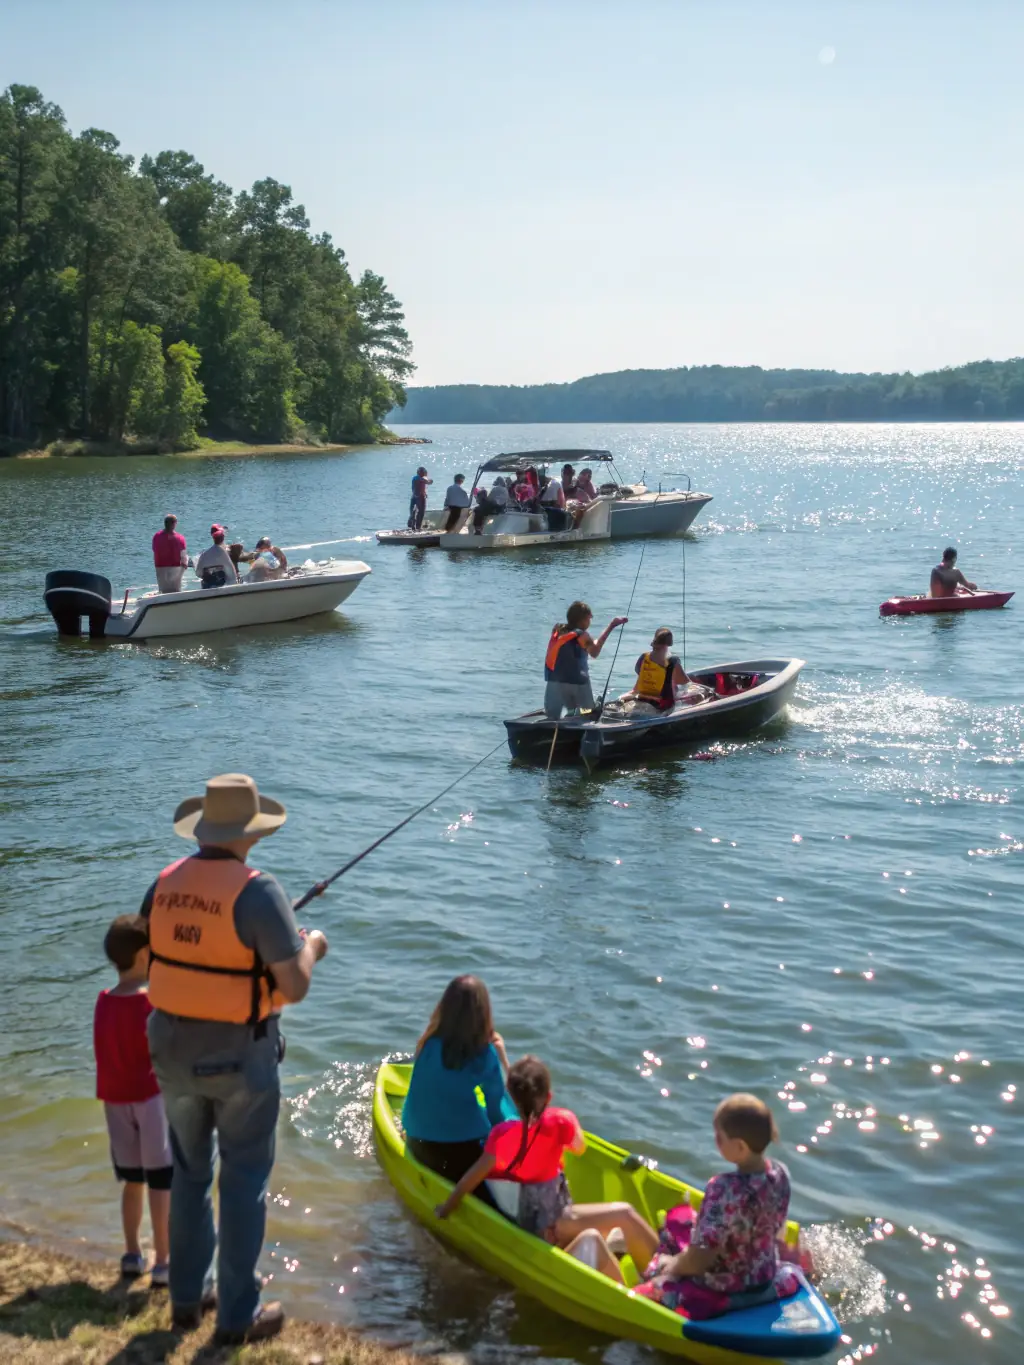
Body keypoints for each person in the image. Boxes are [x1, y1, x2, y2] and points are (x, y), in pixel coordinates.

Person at [142, 773, 329, 1346]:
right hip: (237, 1057)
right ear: (251, 832)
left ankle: (185, 1298)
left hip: (170, 1050)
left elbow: (171, 950)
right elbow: (293, 986)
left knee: (190, 1174)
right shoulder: (259, 890)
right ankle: (235, 1316)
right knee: (243, 1181)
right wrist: (313, 945)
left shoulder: (164, 882)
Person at [435, 1055, 659, 1284]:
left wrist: (447, 1207)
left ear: (512, 1097)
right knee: (625, 1214)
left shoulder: (501, 1135)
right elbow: (579, 1148)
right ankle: (663, 1280)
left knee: (615, 1226)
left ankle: (655, 1275)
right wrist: (571, 1122)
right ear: (549, 1096)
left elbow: (471, 1178)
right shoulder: (560, 1122)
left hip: (531, 1222)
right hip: (554, 1224)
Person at [637, 1094, 798, 1320]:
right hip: (762, 1277)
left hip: (722, 1289)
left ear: (740, 1146)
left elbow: (700, 1259)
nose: (716, 1142)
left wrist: (672, 1265)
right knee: (681, 1217)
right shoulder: (780, 1174)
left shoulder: (723, 1189)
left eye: (720, 1138)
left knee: (656, 1272)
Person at [94, 915, 172, 1286]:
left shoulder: (103, 1002)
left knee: (132, 1181)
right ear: (145, 954)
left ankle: (131, 1253)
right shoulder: (151, 1003)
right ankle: (163, 1260)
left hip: (114, 1102)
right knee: (160, 1182)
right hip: (151, 1101)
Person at [401, 976, 510, 1189]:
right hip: (463, 1157)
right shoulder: (484, 1055)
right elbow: (496, 1113)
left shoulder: (427, 1043)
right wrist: (502, 1057)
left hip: (418, 1142)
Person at [544, 601, 628, 720]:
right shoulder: (582, 636)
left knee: (552, 716)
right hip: (577, 683)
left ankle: (565, 716)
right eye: (589, 619)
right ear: (583, 620)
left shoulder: (557, 631)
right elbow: (595, 652)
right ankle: (583, 713)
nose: (590, 622)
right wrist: (612, 626)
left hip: (554, 682)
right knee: (588, 713)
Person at [632, 629, 691, 710]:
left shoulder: (644, 657)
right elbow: (684, 681)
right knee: (694, 691)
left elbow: (638, 671)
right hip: (661, 705)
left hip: (640, 698)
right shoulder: (672, 660)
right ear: (669, 644)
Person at [194, 524, 238, 589]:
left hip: (207, 588)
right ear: (223, 538)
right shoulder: (224, 554)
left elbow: (198, 573)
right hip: (222, 588)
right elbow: (232, 575)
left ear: (213, 538)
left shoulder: (204, 555)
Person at [152, 514, 188, 594]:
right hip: (176, 567)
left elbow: (155, 550)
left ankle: (162, 594)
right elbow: (183, 555)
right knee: (186, 559)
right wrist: (185, 563)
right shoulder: (180, 538)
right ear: (174, 524)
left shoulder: (156, 536)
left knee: (163, 590)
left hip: (160, 567)